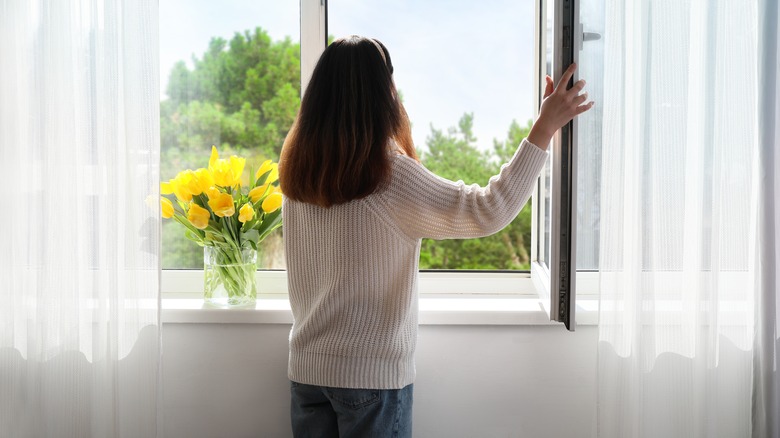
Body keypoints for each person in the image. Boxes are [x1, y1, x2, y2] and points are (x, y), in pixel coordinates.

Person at [278, 35, 593, 438]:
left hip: (306, 374)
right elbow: (488, 209)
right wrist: (545, 127)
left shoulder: (297, 175)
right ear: (384, 93)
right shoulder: (388, 175)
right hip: (370, 381)